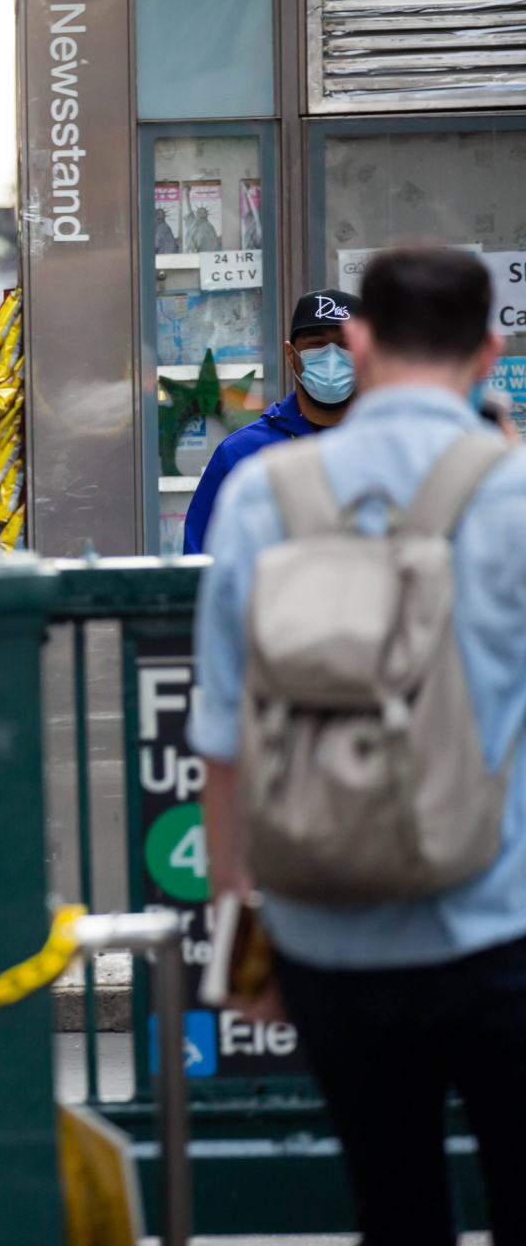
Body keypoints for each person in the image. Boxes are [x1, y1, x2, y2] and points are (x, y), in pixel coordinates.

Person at [193, 248, 526, 1242]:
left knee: (394, 1204)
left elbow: (223, 745)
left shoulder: (265, 491)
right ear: (490, 350)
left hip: (327, 928)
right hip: (504, 920)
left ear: (364, 343)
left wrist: (241, 950)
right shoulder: (513, 492)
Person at [183, 288, 362, 554]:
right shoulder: (241, 454)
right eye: (316, 344)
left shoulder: (387, 449)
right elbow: (201, 565)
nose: (332, 357)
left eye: (345, 344)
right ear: (291, 355)